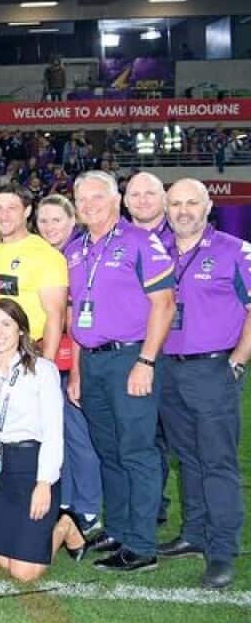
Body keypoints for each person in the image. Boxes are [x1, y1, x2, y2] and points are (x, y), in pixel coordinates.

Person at [68, 170, 176, 573]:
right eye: (82, 199)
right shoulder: (76, 250)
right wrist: (77, 373)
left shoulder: (139, 241)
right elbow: (76, 314)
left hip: (129, 359)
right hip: (92, 362)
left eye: (98, 197)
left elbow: (164, 304)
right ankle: (119, 528)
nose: (90, 205)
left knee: (136, 451)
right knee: (108, 451)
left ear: (116, 201)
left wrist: (146, 361)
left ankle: (143, 544)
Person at [156, 178, 248, 589]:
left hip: (213, 369)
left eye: (192, 202)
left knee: (217, 462)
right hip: (169, 370)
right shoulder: (158, 250)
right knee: (187, 459)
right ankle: (194, 533)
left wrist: (238, 361)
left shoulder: (234, 250)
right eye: (175, 203)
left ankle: (222, 550)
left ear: (208, 205)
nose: (183, 210)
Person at [0, 299, 85, 582]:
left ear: (21, 330)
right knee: (5, 564)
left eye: (7, 324)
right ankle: (42, 532)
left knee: (23, 572)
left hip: (33, 467)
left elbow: (54, 432)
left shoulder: (43, 370)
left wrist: (44, 483)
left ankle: (65, 526)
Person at [35, 194, 102, 536]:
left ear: (72, 221)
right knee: (56, 435)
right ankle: (67, 501)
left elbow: (77, 319)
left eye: (56, 220)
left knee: (78, 436)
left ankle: (89, 508)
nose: (49, 226)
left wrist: (75, 370)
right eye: (43, 220)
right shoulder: (39, 255)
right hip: (44, 360)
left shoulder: (81, 256)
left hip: (71, 361)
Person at [124, 171, 174, 522]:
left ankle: (153, 504)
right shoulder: (113, 238)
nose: (142, 200)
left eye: (150, 193)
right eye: (135, 194)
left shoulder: (184, 238)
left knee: (171, 437)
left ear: (164, 198)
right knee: (138, 434)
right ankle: (144, 504)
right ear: (124, 201)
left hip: (177, 354)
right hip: (130, 353)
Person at [0, 185, 68, 361]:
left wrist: (46, 366)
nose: (4, 215)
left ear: (27, 211)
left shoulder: (46, 254)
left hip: (31, 353)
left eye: (12, 208)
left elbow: (56, 316)